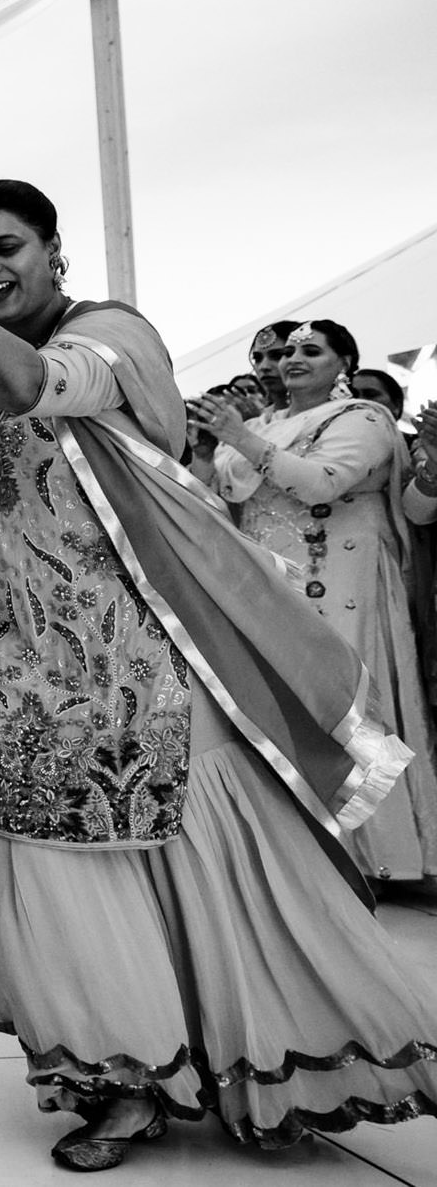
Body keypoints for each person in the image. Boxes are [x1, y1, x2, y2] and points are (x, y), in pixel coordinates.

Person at [0, 176, 437, 1165]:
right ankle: (122, 1082)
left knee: (183, 857)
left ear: (55, 252)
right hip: (19, 658)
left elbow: (34, 388)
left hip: (142, 654)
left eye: (5, 247)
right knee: (52, 868)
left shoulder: (111, 334)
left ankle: (251, 1053)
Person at [192, 321, 437, 883]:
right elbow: (222, 495)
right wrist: (208, 453)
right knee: (274, 708)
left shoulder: (362, 419)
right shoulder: (262, 424)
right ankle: (291, 855)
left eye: (310, 350)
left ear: (344, 362)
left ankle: (373, 857)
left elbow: (322, 483)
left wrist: (239, 438)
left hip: (342, 583)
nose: (292, 359)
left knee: (346, 711)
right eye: (288, 352)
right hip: (269, 586)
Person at [246, 321, 298, 411]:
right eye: (257, 358)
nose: (263, 367)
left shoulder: (324, 411)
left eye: (277, 356)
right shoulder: (259, 418)